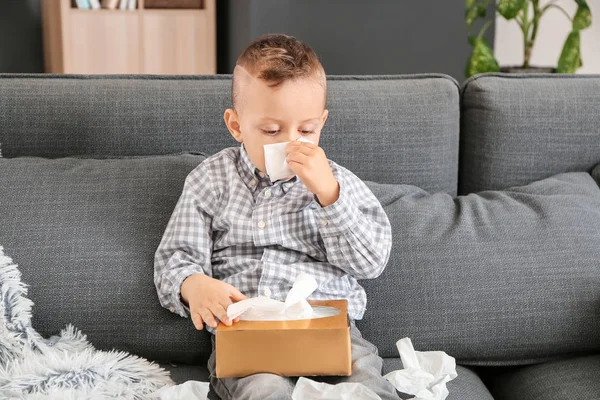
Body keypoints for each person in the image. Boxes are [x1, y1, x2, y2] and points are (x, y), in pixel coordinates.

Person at [154, 33, 397, 400]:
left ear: (322, 123)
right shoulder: (211, 179)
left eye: (306, 130)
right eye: (271, 130)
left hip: (326, 326)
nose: (291, 143)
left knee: (364, 381)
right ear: (236, 126)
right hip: (250, 335)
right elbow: (174, 260)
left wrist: (329, 196)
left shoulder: (335, 182)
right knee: (263, 388)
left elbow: (371, 262)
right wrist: (193, 285)